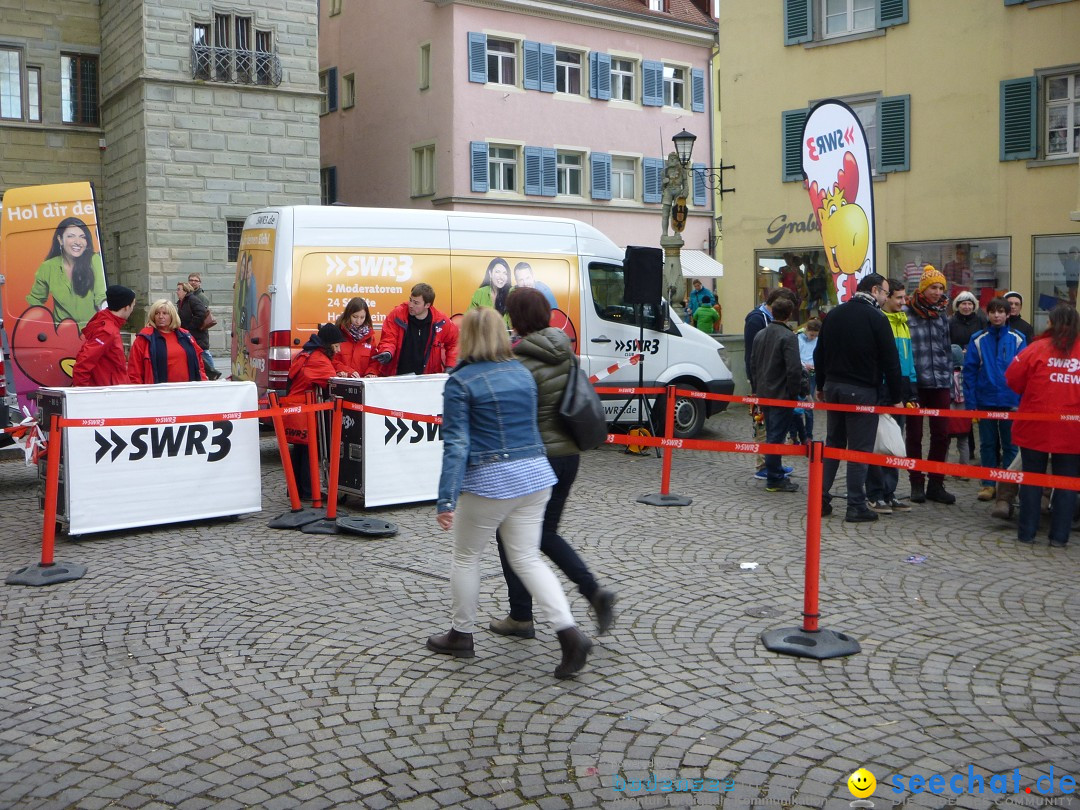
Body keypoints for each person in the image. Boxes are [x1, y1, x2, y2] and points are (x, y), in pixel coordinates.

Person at [429, 307, 592, 679]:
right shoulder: (521, 372)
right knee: (528, 559)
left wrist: (446, 498)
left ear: (466, 337)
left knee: (467, 556)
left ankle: (461, 634)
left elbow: (456, 443)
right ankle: (569, 633)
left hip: (491, 480)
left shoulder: (461, 381)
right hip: (536, 475)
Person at [488, 287, 616, 640]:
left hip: (535, 460)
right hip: (568, 456)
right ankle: (530, 612)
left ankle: (533, 612)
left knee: (523, 535)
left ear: (516, 318)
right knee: (536, 534)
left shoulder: (518, 362)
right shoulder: (564, 351)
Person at [813, 273, 902, 523]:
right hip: (861, 390)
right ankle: (856, 504)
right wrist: (896, 397)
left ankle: (820, 498)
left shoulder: (834, 314)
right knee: (859, 449)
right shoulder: (877, 318)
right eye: (885, 292)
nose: (886, 298)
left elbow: (820, 354)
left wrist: (821, 385)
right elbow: (890, 360)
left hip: (833, 388)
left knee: (834, 444)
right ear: (875, 291)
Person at [1005, 303, 1080, 548]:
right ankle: (1059, 537)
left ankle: (1027, 533)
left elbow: (1013, 379)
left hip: (1034, 426)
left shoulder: (1036, 348)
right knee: (1067, 484)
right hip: (1072, 431)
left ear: (1052, 323)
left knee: (1031, 479)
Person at [963, 297, 1026, 501]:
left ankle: (1007, 487)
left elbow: (1024, 371)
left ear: (1008, 315)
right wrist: (971, 402)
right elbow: (969, 372)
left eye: (1001, 312)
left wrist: (1022, 401)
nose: (997, 315)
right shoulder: (978, 339)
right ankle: (988, 484)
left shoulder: (1018, 338)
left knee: (1010, 445)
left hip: (1011, 401)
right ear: (987, 314)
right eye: (993, 312)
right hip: (985, 400)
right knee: (988, 444)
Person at [905, 265, 957, 505]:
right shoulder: (906, 313)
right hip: (916, 384)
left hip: (940, 384)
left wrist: (947, 375)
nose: (937, 292)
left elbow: (947, 349)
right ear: (923, 289)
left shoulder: (942, 316)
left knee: (941, 435)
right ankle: (916, 482)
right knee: (914, 435)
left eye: (940, 288)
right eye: (933, 287)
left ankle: (936, 483)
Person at [866, 280, 917, 514]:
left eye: (904, 298)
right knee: (879, 444)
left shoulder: (903, 322)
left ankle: (890, 492)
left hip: (901, 392)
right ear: (886, 298)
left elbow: (908, 362)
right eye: (898, 298)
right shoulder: (879, 321)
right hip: (884, 392)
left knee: (895, 442)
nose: (903, 302)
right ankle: (875, 494)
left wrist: (912, 390)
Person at [284, 323, 346, 501]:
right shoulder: (318, 359)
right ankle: (310, 492)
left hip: (294, 408)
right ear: (328, 345)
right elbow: (331, 381)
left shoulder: (306, 353)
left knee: (299, 450)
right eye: (336, 346)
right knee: (309, 451)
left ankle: (296, 490)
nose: (339, 350)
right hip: (304, 410)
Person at [749, 297, 803, 494]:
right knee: (775, 437)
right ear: (789, 315)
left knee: (772, 433)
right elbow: (794, 369)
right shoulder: (788, 337)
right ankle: (774, 478)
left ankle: (775, 471)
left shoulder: (760, 334)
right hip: (781, 395)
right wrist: (795, 393)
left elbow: (753, 364)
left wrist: (757, 388)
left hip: (765, 392)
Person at [26, 217, 107, 328]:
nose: (77, 242)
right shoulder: (48, 267)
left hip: (92, 331)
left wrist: (107, 314)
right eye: (71, 236)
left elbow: (101, 296)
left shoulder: (94, 260)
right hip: (61, 334)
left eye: (82, 237)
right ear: (60, 239)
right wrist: (46, 325)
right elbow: (35, 300)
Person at [371, 282, 459, 376]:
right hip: (397, 377)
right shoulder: (397, 315)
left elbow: (454, 342)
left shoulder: (441, 321)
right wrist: (387, 352)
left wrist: (450, 366)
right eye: (410, 300)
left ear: (427, 305)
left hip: (426, 380)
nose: (411, 305)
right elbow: (389, 338)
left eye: (416, 302)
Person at [128, 299, 207, 384]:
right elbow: (134, 371)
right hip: (158, 393)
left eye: (165, 313)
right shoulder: (145, 338)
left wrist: (204, 384)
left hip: (188, 391)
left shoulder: (186, 336)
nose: (160, 316)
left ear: (172, 316)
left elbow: (199, 365)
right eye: (157, 313)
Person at [72, 285, 137, 387]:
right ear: (126, 307)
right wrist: (83, 393)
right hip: (108, 393)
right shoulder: (107, 330)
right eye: (133, 305)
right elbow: (84, 362)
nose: (132, 309)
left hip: (109, 391)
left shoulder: (107, 324)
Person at [180, 272, 222, 380]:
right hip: (194, 331)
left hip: (199, 331)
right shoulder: (188, 296)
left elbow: (201, 314)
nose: (193, 282)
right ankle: (210, 372)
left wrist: (191, 326)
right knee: (201, 352)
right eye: (191, 280)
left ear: (200, 283)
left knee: (204, 352)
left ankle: (213, 372)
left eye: (196, 280)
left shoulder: (200, 297)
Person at [332, 297, 376, 378]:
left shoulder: (370, 337)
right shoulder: (337, 333)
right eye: (355, 317)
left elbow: (374, 361)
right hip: (342, 383)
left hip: (363, 384)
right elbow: (332, 359)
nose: (358, 321)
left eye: (362, 317)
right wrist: (347, 371)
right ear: (348, 315)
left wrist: (371, 373)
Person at [793, 318, 820, 443]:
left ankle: (808, 435)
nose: (813, 337)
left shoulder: (818, 341)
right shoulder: (798, 338)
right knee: (797, 404)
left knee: (809, 405)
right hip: (800, 373)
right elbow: (795, 355)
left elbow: (818, 355)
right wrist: (804, 365)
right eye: (811, 335)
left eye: (815, 335)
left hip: (812, 374)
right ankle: (794, 435)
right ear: (807, 331)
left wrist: (815, 365)